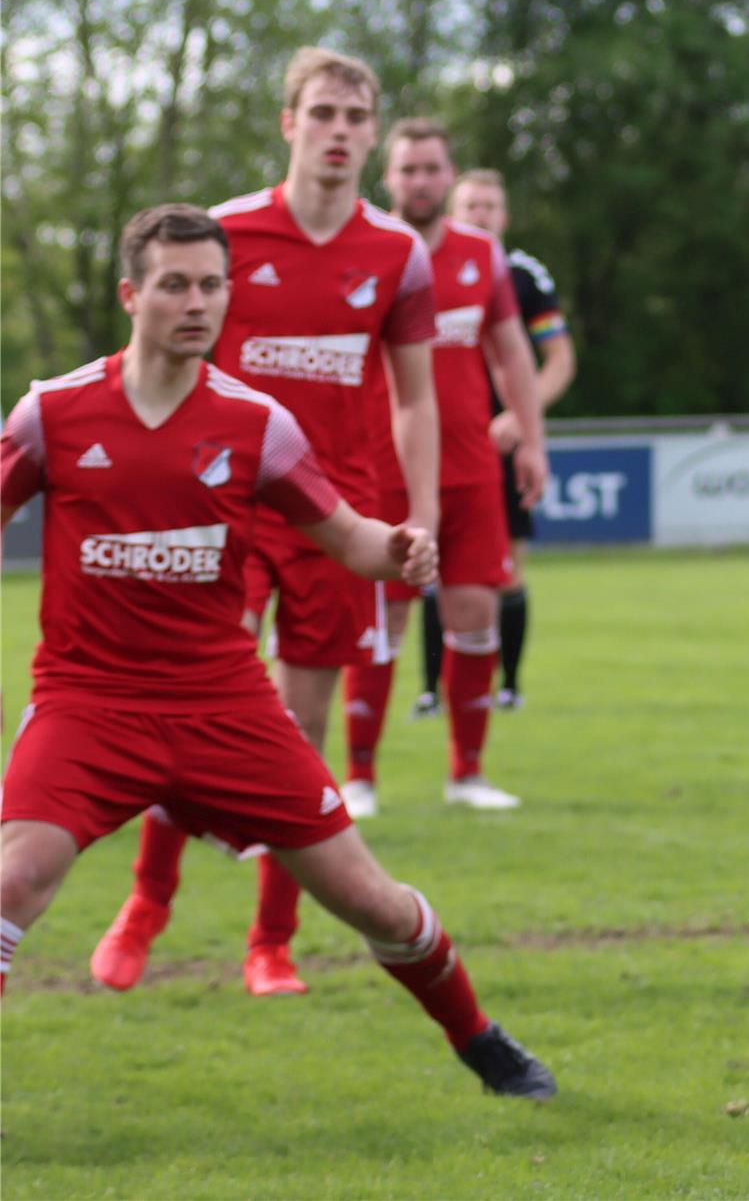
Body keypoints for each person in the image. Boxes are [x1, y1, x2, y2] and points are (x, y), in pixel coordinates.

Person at [0, 204, 554, 1100]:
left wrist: (398, 546)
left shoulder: (258, 424)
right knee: (14, 877)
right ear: (131, 294)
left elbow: (346, 538)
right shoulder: (52, 413)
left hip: (226, 705)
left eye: (212, 285)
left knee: (369, 900)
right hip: (87, 703)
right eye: (175, 284)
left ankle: (480, 1039)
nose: (198, 303)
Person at [89, 46, 441, 999]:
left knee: (297, 734)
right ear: (289, 122)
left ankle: (269, 945)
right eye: (322, 111)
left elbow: (415, 399)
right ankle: (146, 903)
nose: (339, 130)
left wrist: (422, 515)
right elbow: (166, 365)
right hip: (225, 515)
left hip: (338, 518)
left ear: (373, 130)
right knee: (183, 708)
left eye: (356, 115)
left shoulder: (397, 255)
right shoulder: (230, 236)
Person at [339, 123, 548, 817]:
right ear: (388, 176)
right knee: (384, 620)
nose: (420, 181)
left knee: (476, 614)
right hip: (381, 470)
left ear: (448, 173)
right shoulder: (364, 246)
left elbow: (514, 354)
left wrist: (533, 442)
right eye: (408, 170)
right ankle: (359, 778)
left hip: (471, 468)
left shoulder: (481, 256)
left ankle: (467, 773)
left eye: (432, 168)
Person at [413, 169, 577, 717]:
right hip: (431, 439)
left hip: (497, 447)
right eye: (470, 205)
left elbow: (559, 360)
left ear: (504, 216)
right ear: (453, 211)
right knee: (428, 567)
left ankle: (508, 685)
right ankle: (430, 689)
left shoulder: (524, 276)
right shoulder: (414, 263)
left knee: (505, 571)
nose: (480, 214)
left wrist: (521, 418)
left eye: (490, 206)